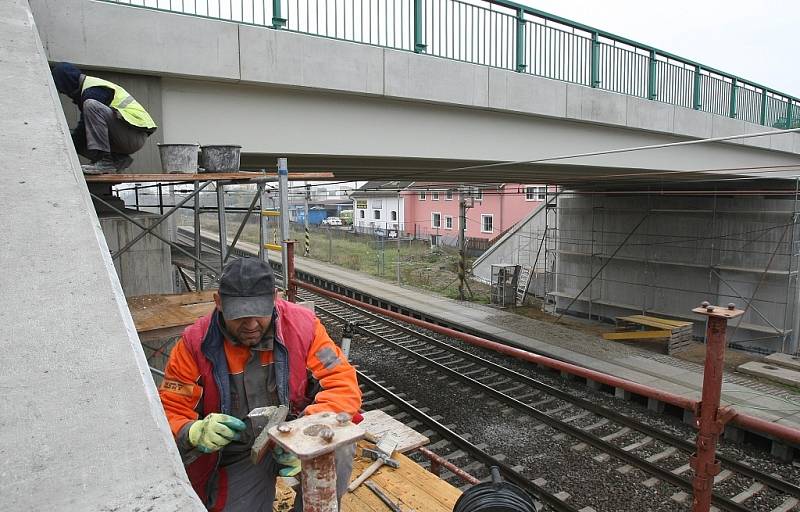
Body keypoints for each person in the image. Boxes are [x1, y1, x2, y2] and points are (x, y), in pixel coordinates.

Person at [158, 257, 361, 511]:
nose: (251, 325)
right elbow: (170, 409)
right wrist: (193, 431)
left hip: (295, 434)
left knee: (337, 447)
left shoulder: (304, 328)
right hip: (239, 453)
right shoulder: (194, 345)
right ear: (219, 302)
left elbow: (342, 381)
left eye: (259, 312)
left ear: (275, 298)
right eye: (240, 316)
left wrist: (303, 433)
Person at [51, 62, 157, 174]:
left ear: (67, 83)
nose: (64, 93)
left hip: (133, 135)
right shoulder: (87, 91)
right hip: (126, 135)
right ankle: (117, 159)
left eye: (62, 89)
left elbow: (85, 126)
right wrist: (64, 146)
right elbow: (83, 131)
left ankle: (105, 162)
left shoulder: (92, 91)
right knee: (73, 138)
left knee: (91, 105)